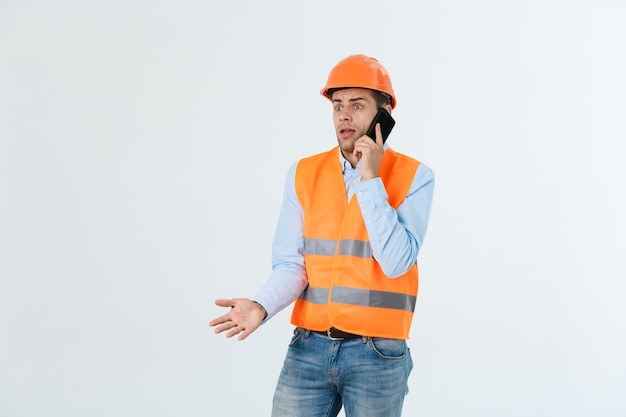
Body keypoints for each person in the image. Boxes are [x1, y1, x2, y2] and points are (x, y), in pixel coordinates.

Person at [209, 54, 435, 417]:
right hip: (308, 350)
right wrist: (261, 306)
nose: (344, 115)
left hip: (378, 354)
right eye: (337, 106)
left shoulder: (415, 176)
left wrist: (371, 179)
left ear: (384, 116)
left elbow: (396, 263)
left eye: (357, 105)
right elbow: (291, 265)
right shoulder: (303, 173)